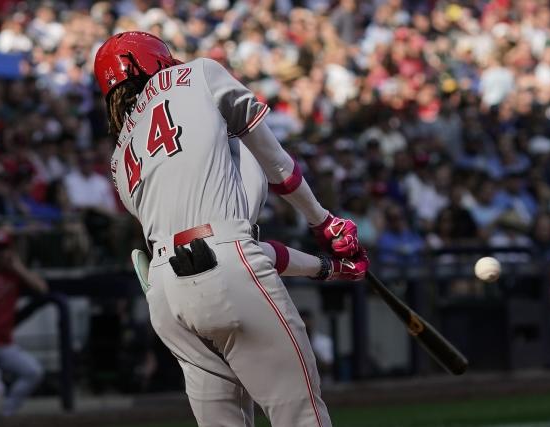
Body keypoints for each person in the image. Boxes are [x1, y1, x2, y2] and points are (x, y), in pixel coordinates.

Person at [94, 32, 368, 427]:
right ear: (158, 61)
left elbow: (240, 248)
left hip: (167, 296)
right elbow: (277, 168)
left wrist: (326, 267)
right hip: (225, 265)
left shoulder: (120, 161)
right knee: (302, 416)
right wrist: (323, 220)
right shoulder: (197, 74)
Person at [0, 229, 48, 416]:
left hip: (6, 345)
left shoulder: (15, 274)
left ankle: (6, 414)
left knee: (34, 372)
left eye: (5, 249)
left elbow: (42, 289)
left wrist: (18, 268)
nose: (2, 254)